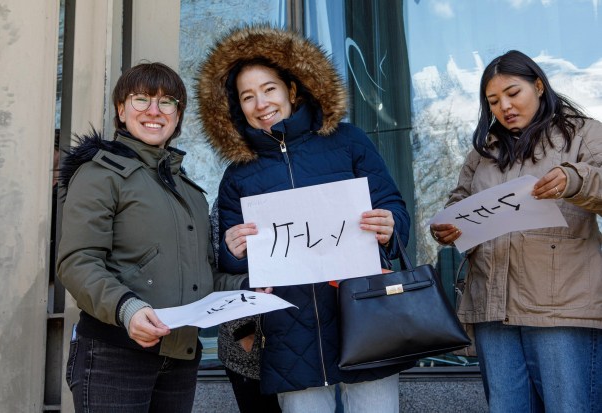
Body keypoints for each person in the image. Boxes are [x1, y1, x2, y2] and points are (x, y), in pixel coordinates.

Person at [196, 25, 412, 413]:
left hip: (364, 319)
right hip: (289, 336)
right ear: (237, 107)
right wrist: (233, 250)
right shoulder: (238, 176)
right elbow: (233, 266)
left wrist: (390, 224)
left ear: (291, 90)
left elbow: (393, 206)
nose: (261, 103)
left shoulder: (347, 141)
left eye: (269, 89)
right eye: (248, 96)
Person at [56, 62, 247, 413]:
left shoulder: (190, 193)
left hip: (182, 359)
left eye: (167, 102)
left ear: (178, 115)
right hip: (116, 356)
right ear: (121, 109)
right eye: (141, 99)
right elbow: (77, 262)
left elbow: (202, 279)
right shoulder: (100, 173)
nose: (154, 111)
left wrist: (247, 288)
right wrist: (128, 310)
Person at [430, 50, 602, 412]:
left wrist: (574, 179)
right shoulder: (484, 151)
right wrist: (447, 227)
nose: (504, 106)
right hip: (492, 306)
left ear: (538, 86)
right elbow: (459, 199)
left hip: (561, 307)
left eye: (513, 93)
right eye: (493, 101)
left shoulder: (583, 133)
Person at [210, 198, 281, 413]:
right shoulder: (236, 187)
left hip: (316, 345)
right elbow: (211, 268)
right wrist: (243, 331)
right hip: (249, 353)